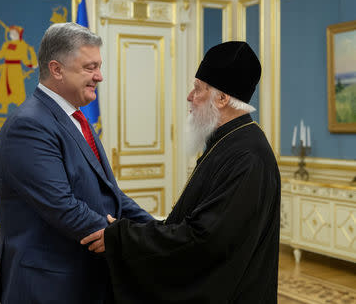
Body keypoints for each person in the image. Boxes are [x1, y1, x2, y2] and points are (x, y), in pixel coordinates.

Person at [82, 41, 281, 303]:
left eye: (197, 89)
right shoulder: (228, 142)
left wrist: (123, 238)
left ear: (221, 98)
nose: (189, 96)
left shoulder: (247, 156)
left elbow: (205, 240)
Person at [0, 22, 153, 304]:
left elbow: (110, 194)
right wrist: (125, 239)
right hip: (47, 287)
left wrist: (155, 231)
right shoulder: (29, 125)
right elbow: (62, 206)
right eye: (90, 68)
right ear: (56, 69)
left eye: (99, 67)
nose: (99, 77)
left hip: (85, 280)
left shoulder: (77, 119)